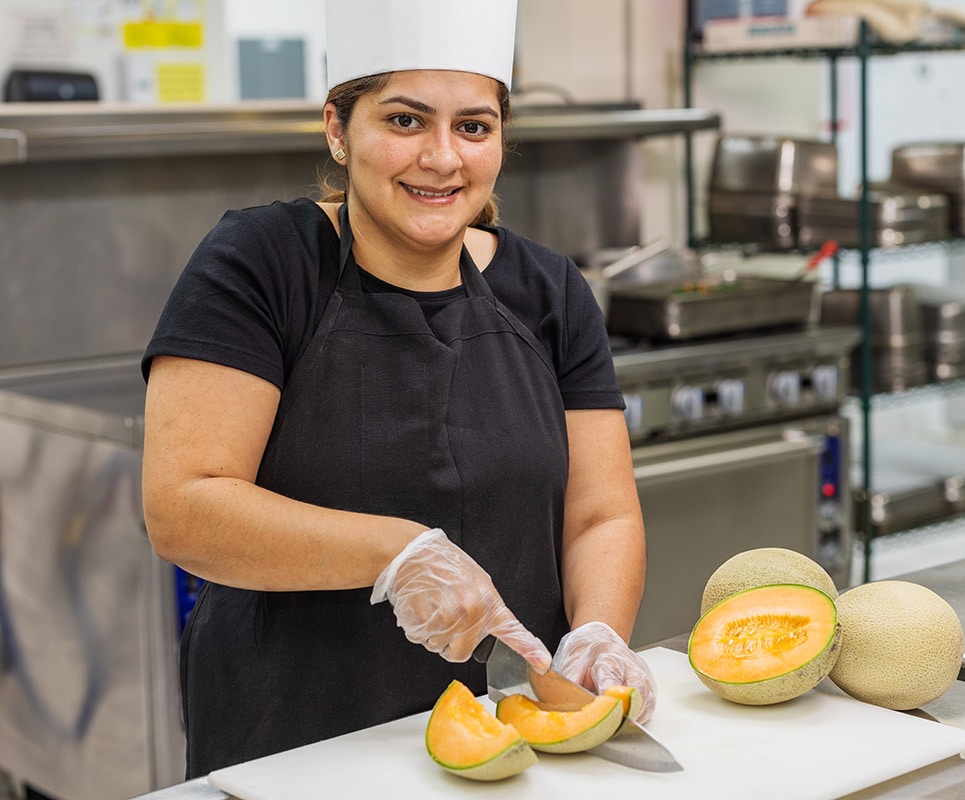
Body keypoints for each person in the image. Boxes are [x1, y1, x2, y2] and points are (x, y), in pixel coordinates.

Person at [141, 0, 654, 777]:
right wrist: (396, 551)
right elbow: (184, 507)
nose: (443, 158)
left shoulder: (549, 290)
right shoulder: (260, 263)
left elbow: (600, 514)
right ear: (338, 130)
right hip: (294, 747)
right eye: (406, 121)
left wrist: (600, 635)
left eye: (474, 127)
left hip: (510, 744)